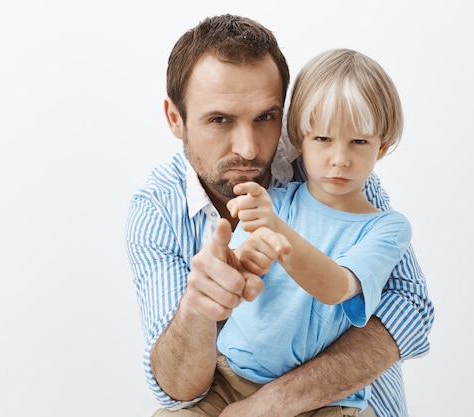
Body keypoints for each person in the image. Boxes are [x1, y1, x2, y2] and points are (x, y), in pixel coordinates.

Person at [125, 14, 434, 417]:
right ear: (174, 118)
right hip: (226, 388)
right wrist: (196, 308)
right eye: (220, 119)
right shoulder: (157, 209)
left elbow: (410, 311)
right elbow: (177, 391)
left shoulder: (331, 173)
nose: (249, 149)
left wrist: (273, 404)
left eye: (265, 117)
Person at [215, 48, 413, 416]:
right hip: (230, 379)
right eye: (323, 139)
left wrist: (276, 231)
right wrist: (247, 261)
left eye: (359, 142)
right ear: (299, 140)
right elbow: (241, 270)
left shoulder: (386, 228)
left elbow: (336, 287)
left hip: (321, 399)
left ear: (381, 147)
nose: (340, 158)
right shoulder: (276, 201)